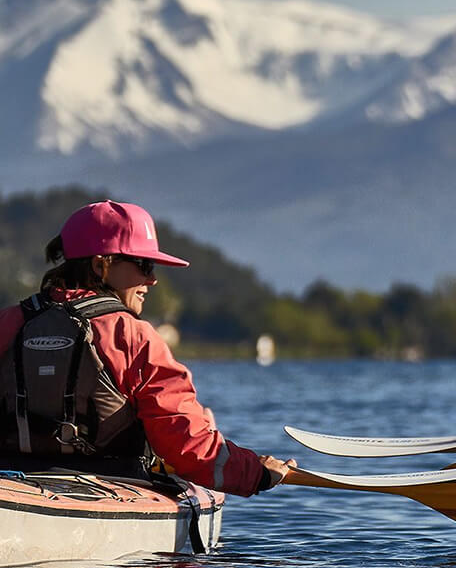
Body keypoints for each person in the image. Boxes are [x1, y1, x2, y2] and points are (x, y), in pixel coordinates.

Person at [0, 199, 295, 496]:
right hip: (117, 484)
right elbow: (189, 446)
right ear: (101, 265)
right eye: (143, 266)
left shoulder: (8, 322)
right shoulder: (133, 336)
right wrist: (258, 473)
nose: (152, 280)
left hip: (11, 481)